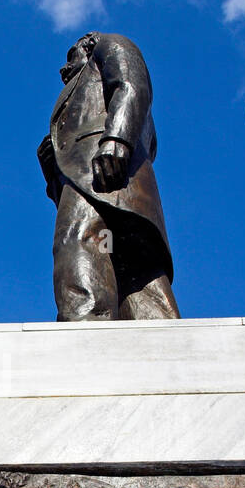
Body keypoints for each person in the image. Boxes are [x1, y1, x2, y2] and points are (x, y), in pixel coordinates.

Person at [38, 32, 180, 321]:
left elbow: (131, 84)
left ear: (88, 43)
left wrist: (116, 140)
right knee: (139, 272)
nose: (64, 68)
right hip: (109, 174)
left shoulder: (109, 44)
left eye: (71, 55)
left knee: (78, 236)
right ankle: (160, 333)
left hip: (97, 168)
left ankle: (85, 323)